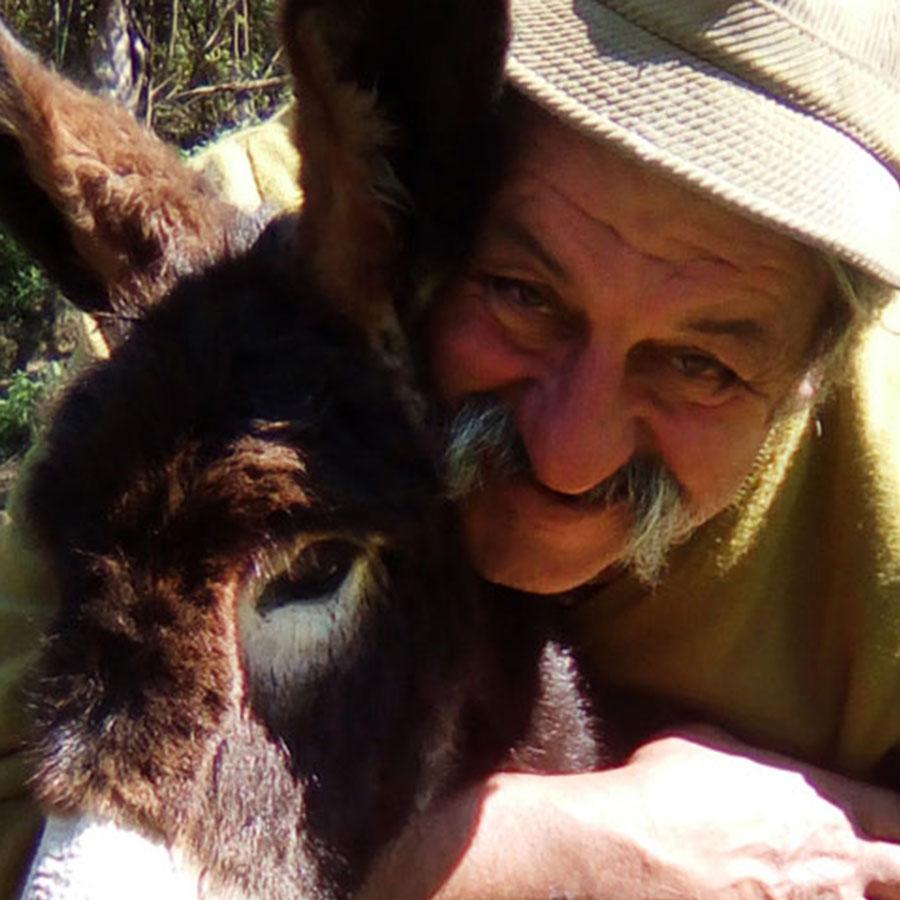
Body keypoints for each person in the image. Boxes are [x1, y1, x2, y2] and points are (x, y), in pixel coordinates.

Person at [3, 0, 900, 897]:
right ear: (436, 150)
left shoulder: (887, 466)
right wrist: (523, 862)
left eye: (700, 365)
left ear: (813, 369)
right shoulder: (212, 309)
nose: (566, 457)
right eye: (524, 295)